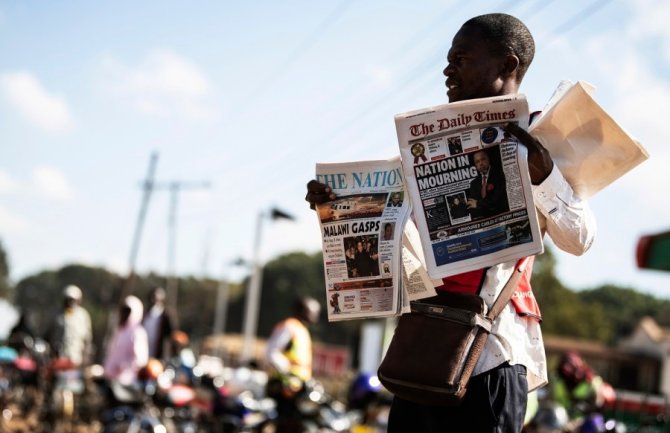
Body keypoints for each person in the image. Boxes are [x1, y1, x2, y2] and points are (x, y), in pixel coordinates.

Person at [305, 13, 596, 433]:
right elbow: (387, 244)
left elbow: (581, 239)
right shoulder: (422, 147)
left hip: (490, 356)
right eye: (448, 59)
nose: (447, 69)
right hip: (421, 353)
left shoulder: (541, 140)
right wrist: (339, 209)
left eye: (461, 58)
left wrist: (544, 177)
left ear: (507, 66)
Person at [264, 296, 321, 433]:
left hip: (298, 387)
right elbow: (271, 351)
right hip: (285, 387)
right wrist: (287, 373)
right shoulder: (290, 326)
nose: (316, 313)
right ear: (302, 310)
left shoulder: (302, 329)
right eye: (313, 309)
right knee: (286, 424)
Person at [103, 295, 149, 386]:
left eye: (127, 311)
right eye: (123, 311)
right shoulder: (119, 330)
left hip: (127, 382)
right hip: (111, 379)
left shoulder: (137, 332)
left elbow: (140, 360)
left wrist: (122, 366)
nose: (124, 314)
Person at [46, 284, 93, 367]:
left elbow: (87, 339)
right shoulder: (56, 315)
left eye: (73, 300)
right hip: (58, 360)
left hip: (76, 360)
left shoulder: (83, 315)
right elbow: (48, 336)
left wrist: (86, 358)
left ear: (79, 300)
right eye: (68, 299)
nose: (70, 302)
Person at [467, 149, 509, 218]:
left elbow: (497, 200)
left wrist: (478, 203)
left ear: (488, 159)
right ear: (475, 166)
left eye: (483, 159)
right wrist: (485, 204)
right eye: (477, 162)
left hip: (501, 216)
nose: (481, 163)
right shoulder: (473, 184)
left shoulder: (499, 175)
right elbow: (472, 207)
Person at [142, 286, 177, 360]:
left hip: (159, 355)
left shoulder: (166, 316)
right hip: (144, 352)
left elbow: (171, 335)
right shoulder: (145, 314)